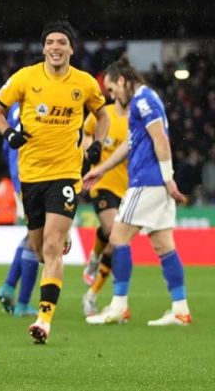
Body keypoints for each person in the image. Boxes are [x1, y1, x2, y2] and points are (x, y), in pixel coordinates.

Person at [0, 21, 109, 344]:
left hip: (67, 174)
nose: (56, 47)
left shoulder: (83, 83)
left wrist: (97, 143)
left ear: (71, 49)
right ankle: (58, 240)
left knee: (53, 247)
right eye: (51, 42)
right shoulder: (26, 78)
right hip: (31, 176)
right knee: (40, 249)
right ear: (44, 48)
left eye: (62, 42)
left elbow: (104, 115)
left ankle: (44, 319)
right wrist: (9, 132)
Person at [84, 58, 192, 326]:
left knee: (118, 237)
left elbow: (161, 140)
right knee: (163, 244)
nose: (112, 95)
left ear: (122, 80)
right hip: (154, 183)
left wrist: (168, 180)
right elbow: (131, 144)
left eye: (111, 89)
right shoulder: (142, 102)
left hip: (147, 182)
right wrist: (101, 169)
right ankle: (180, 309)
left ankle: (119, 305)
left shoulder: (143, 100)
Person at [80, 100, 129, 317]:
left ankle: (91, 294)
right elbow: (87, 130)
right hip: (101, 184)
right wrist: (91, 150)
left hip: (126, 188)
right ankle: (118, 301)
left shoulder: (135, 118)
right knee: (114, 232)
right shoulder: (105, 113)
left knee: (113, 245)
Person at [0, 102, 39, 318]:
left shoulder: (13, 109)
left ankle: (9, 286)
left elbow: (6, 147)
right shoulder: (40, 102)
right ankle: (22, 303)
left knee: (32, 234)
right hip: (33, 175)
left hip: (18, 175)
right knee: (37, 239)